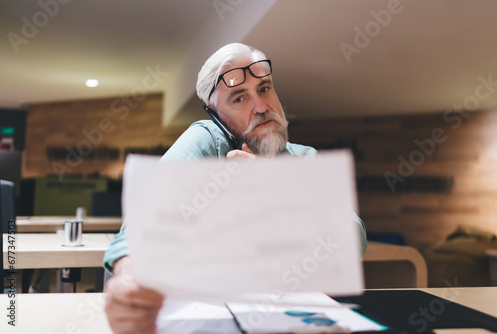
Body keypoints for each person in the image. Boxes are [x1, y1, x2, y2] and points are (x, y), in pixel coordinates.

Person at [103, 43, 367, 334]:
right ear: (217, 114)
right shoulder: (207, 142)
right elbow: (141, 229)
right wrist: (130, 284)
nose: (261, 107)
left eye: (264, 89)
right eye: (239, 98)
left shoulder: (305, 159)